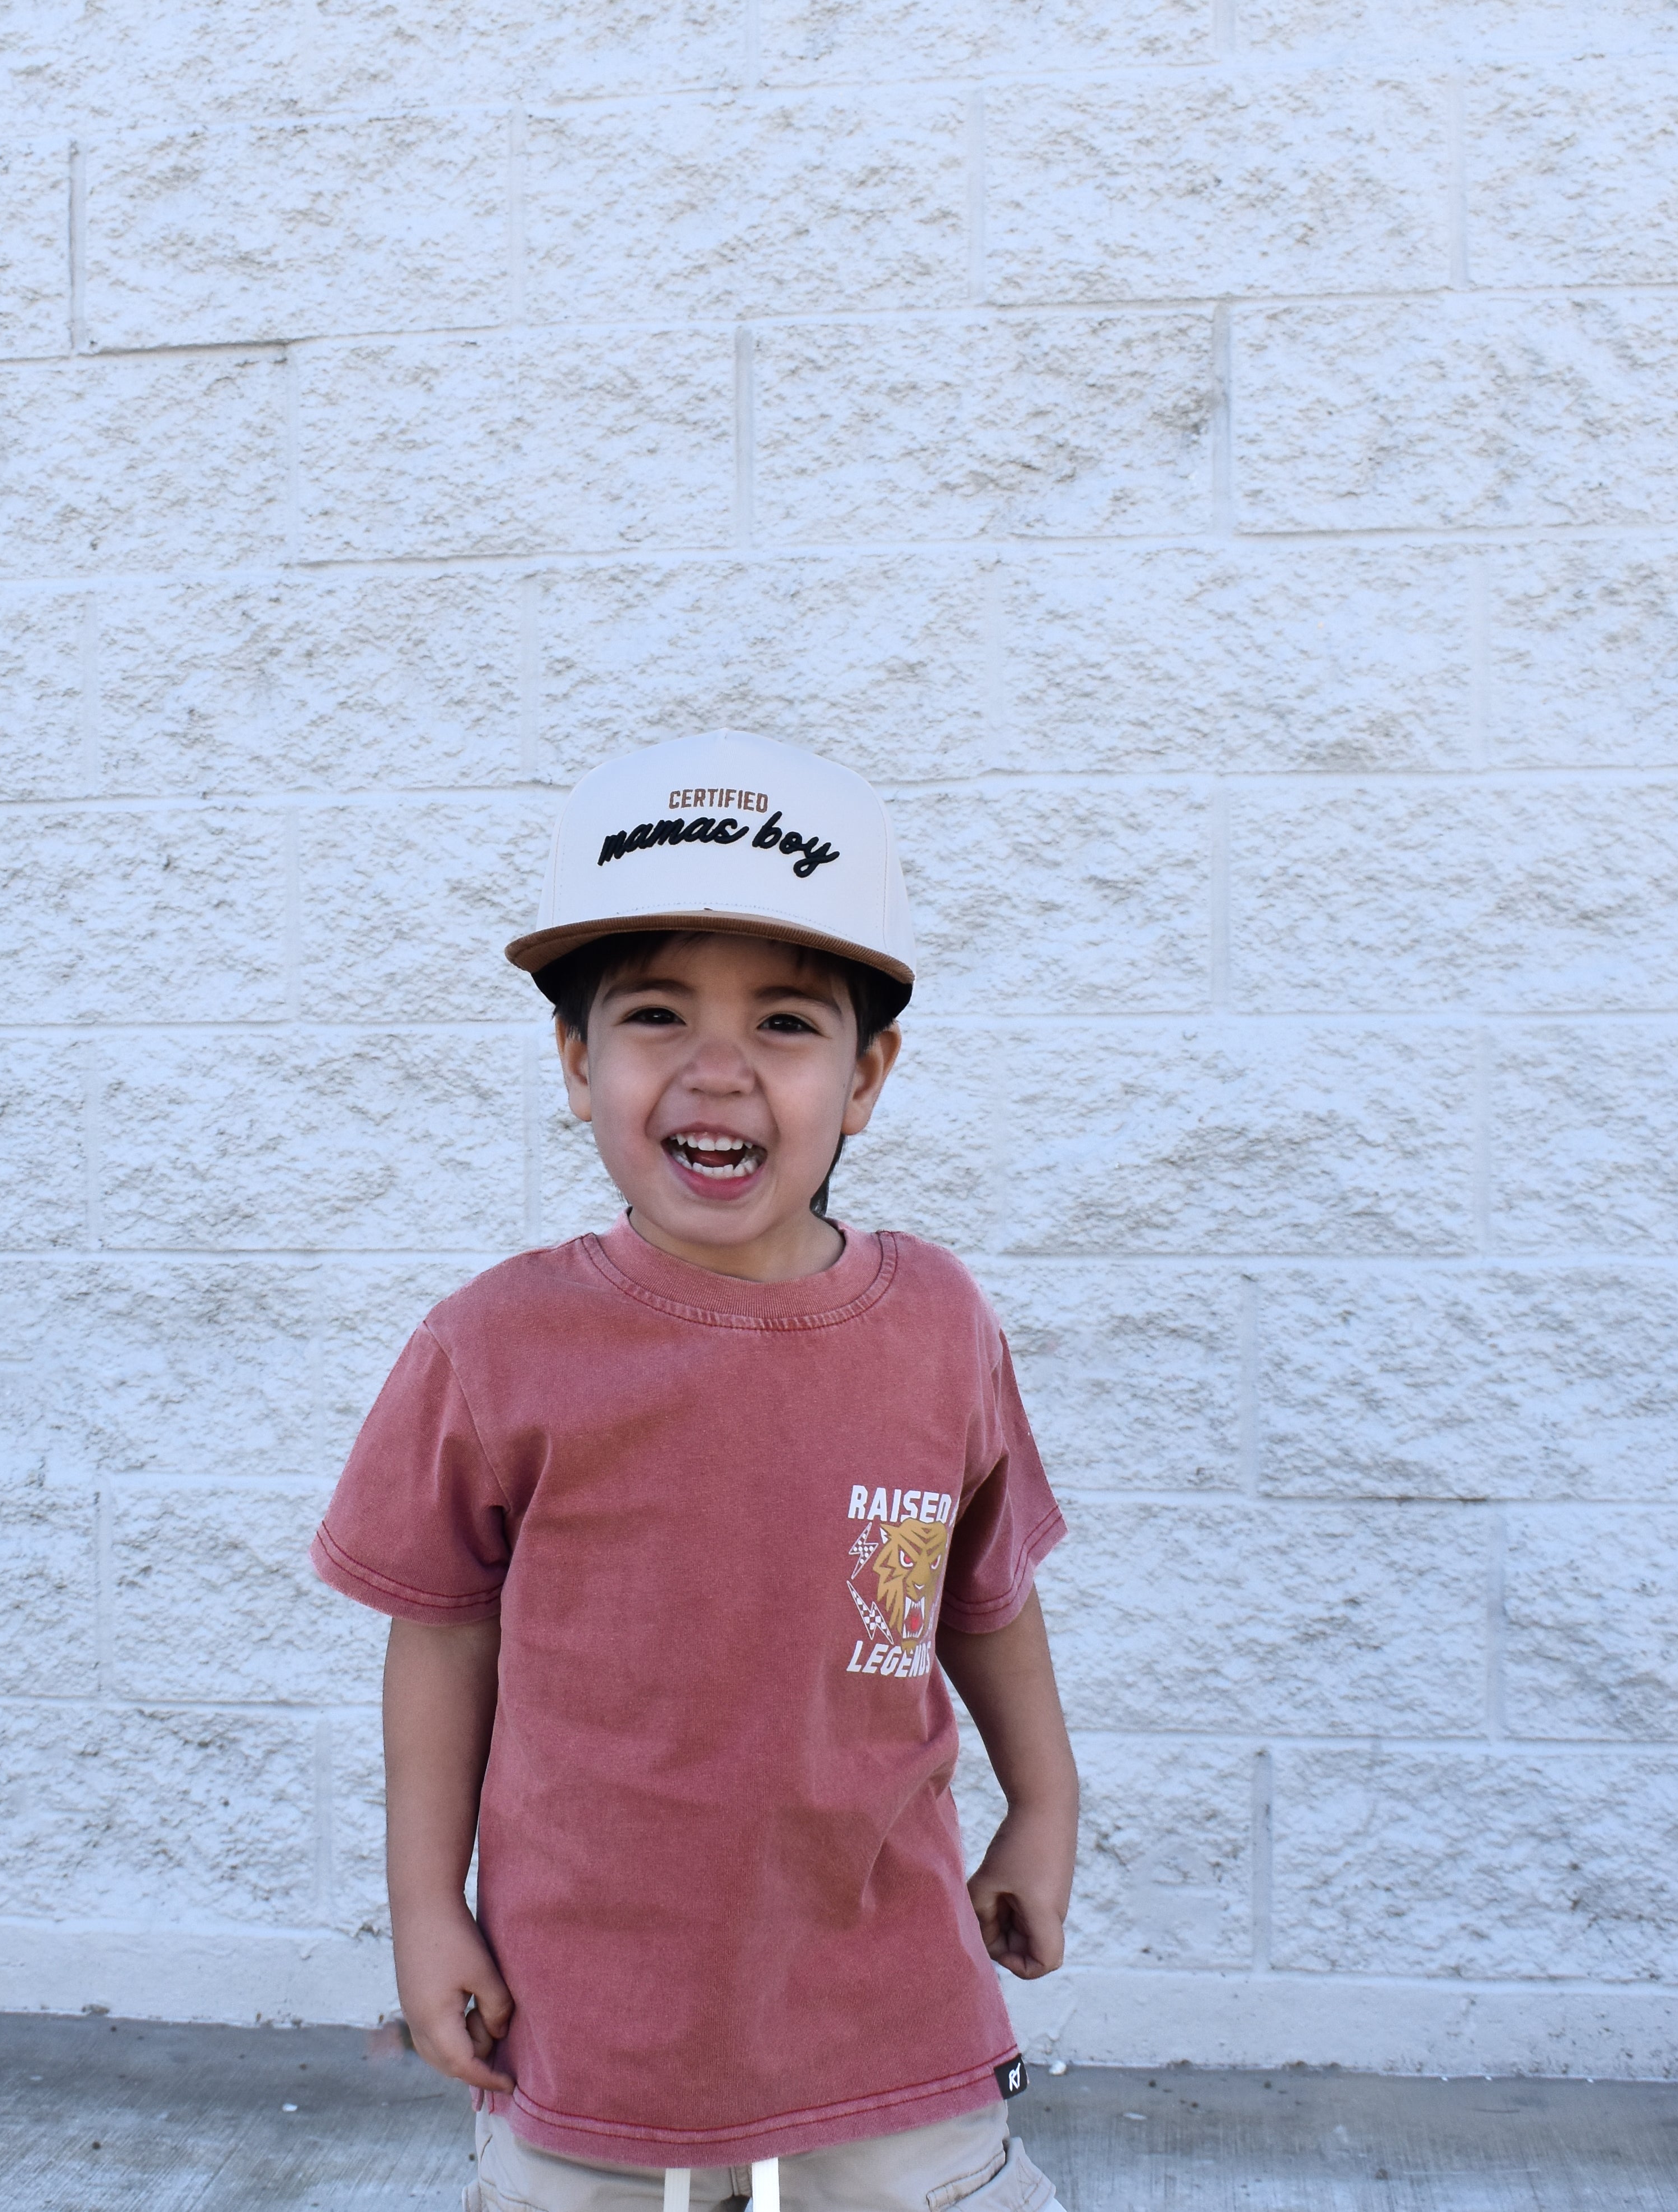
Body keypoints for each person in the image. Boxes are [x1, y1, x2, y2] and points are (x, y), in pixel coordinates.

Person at [312, 731, 1078, 2212]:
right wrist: (426, 1911)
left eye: (787, 1023)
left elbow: (980, 1592)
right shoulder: (494, 1346)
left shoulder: (939, 1326)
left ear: (869, 1077)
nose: (717, 1069)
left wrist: (1043, 1807)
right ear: (577, 1060)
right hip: (594, 2018)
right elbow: (441, 1639)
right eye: (657, 1014)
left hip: (888, 2002)